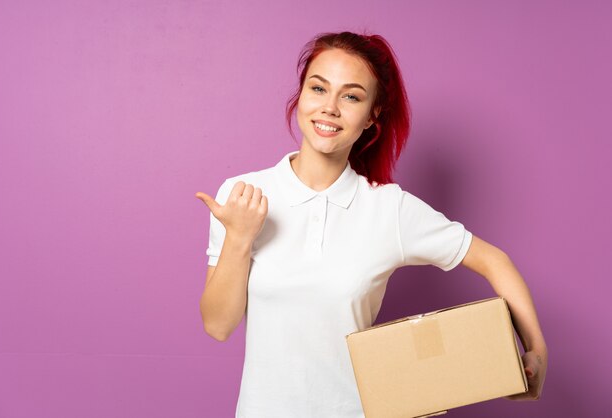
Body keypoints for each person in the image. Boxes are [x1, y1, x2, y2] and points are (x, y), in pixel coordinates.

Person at [196, 31, 547, 418]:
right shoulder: (244, 194)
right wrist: (240, 238)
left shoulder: (388, 208)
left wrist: (537, 349)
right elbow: (218, 325)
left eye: (351, 96)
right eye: (318, 88)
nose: (329, 108)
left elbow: (494, 261)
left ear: (372, 114)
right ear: (301, 96)